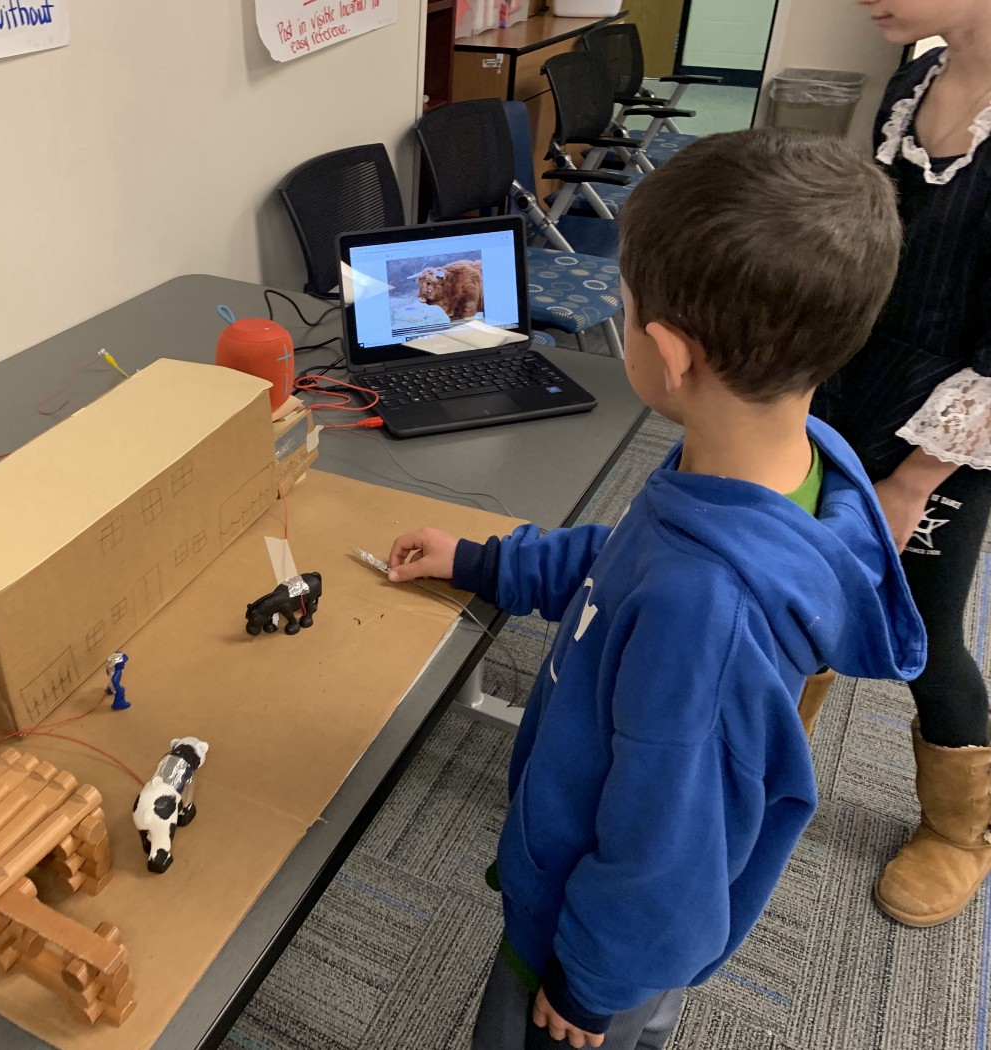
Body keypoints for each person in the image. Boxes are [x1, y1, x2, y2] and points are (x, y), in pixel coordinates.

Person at [387, 129, 926, 1050]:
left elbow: (669, 852)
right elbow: (619, 565)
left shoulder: (703, 608)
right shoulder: (769, 470)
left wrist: (591, 988)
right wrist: (488, 561)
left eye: (623, 306)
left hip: (599, 961)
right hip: (601, 919)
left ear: (671, 356)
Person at [811, 0, 991, 928]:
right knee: (796, 570)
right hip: (848, 380)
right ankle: (758, 751)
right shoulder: (915, 74)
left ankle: (959, 831)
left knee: (922, 620)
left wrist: (913, 481)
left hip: (958, 421)